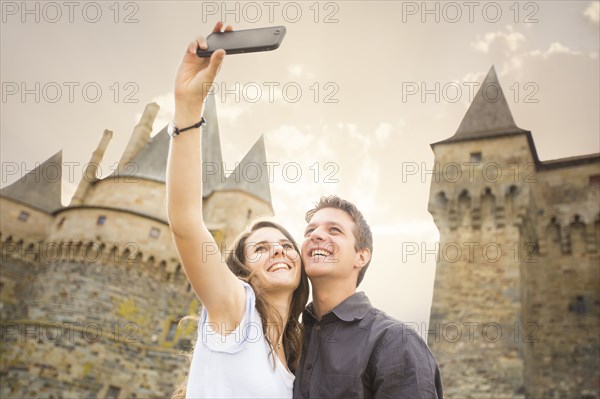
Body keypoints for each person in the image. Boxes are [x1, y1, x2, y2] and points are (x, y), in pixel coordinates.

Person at [167, 22, 309, 398]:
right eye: (260, 248)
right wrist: (187, 109)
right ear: (244, 272)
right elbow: (185, 223)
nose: (278, 249)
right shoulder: (236, 309)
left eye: (285, 244)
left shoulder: (296, 362)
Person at [294, 195, 444, 398]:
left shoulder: (397, 341)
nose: (316, 235)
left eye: (334, 230)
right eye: (310, 231)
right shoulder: (291, 341)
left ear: (361, 256)